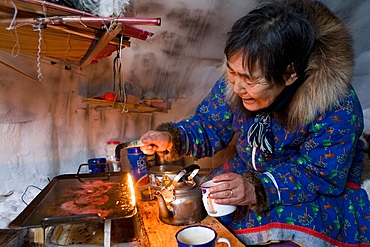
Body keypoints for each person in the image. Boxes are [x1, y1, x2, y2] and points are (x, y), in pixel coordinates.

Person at [139, 0, 370, 246]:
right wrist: (175, 138)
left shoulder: (336, 106)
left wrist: (258, 188)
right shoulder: (239, 81)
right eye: (231, 72)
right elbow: (211, 124)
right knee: (207, 219)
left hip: (309, 189)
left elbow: (320, 174)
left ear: (289, 74)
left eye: (249, 80)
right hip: (249, 174)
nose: (237, 88)